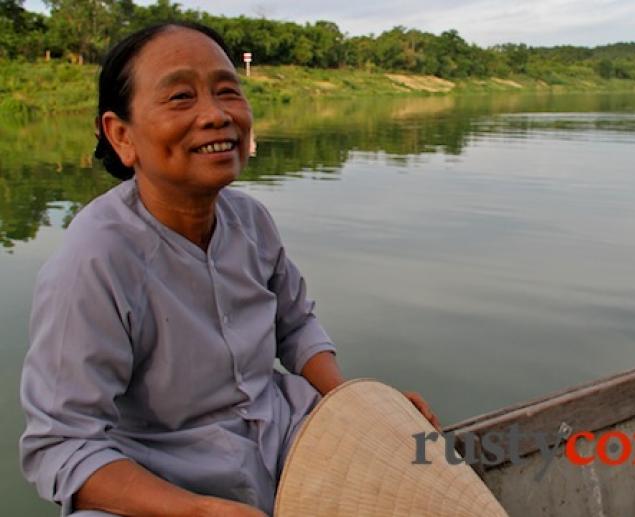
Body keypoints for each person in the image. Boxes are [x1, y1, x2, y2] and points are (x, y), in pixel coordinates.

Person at [19, 22, 440, 517]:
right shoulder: (93, 262)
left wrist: (355, 406)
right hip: (165, 480)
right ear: (120, 135)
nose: (216, 116)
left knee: (421, 460)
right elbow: (61, 447)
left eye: (227, 92)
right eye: (180, 97)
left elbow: (297, 325)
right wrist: (199, 511)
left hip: (289, 441)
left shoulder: (251, 221)